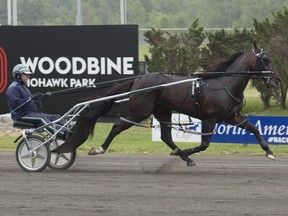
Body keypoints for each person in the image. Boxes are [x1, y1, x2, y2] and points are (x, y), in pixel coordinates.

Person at [6, 64, 66, 138]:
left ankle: (71, 130)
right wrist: (31, 98)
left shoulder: (23, 87)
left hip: (31, 113)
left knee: (56, 117)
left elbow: (28, 102)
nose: (28, 76)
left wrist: (36, 99)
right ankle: (63, 134)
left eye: (28, 74)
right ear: (18, 75)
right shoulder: (13, 88)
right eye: (26, 74)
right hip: (21, 116)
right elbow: (16, 104)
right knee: (42, 119)